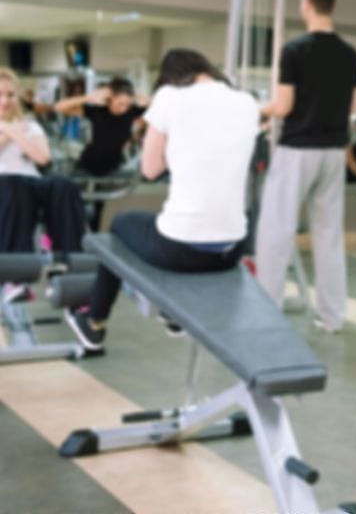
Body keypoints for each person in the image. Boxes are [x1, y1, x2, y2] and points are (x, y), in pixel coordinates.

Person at [64, 49, 259, 351]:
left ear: (171, 77)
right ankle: (173, 313)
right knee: (171, 226)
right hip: (232, 249)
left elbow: (150, 168)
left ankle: (94, 322)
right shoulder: (247, 102)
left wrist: (178, 142)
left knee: (121, 222)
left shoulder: (170, 95)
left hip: (180, 250)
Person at [255, 0, 356, 334]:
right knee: (329, 235)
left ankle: (267, 311)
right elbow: (355, 106)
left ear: (306, 5)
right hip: (333, 151)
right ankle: (333, 316)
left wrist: (256, 109)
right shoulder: (351, 55)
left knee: (276, 230)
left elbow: (282, 107)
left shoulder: (294, 50)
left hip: (298, 150)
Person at [0, 67, 86, 302]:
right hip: (5, 187)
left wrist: (15, 132)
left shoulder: (30, 125)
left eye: (10, 94)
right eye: (0, 94)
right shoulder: (19, 127)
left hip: (31, 183)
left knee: (63, 184)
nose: (5, 100)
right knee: (12, 185)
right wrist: (9, 132)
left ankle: (68, 261)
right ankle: (15, 278)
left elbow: (43, 158)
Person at [54, 76, 150, 230]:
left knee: (97, 208)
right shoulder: (98, 111)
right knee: (78, 204)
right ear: (110, 98)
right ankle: (73, 236)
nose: (123, 108)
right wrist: (88, 97)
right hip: (87, 164)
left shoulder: (131, 112)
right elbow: (59, 107)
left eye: (127, 104)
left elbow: (160, 107)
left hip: (110, 167)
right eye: (119, 103)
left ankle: (92, 239)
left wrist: (140, 96)